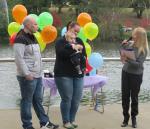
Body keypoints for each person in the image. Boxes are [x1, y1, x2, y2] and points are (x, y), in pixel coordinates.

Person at [14, 16, 59, 129]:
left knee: (38, 100)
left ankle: (44, 123)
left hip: (37, 75)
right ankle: (27, 126)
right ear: (28, 25)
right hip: (28, 77)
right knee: (27, 101)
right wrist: (26, 74)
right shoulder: (20, 38)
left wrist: (40, 72)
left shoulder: (32, 36)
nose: (37, 26)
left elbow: (35, 57)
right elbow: (19, 58)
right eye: (35, 24)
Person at [54, 21, 87, 129]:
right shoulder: (60, 41)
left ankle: (72, 119)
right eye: (75, 31)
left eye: (78, 32)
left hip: (78, 74)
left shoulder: (79, 41)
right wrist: (73, 47)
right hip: (63, 74)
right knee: (67, 98)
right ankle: (66, 121)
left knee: (76, 99)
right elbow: (61, 53)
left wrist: (83, 65)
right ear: (69, 28)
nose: (77, 34)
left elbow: (84, 55)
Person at [120, 27, 149, 128]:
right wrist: (122, 46)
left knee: (134, 98)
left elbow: (138, 64)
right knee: (125, 96)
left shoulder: (144, 49)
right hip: (125, 73)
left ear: (140, 37)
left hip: (136, 75)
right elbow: (122, 54)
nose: (133, 35)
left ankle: (133, 118)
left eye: (135, 34)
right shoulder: (129, 44)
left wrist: (127, 59)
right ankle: (125, 118)